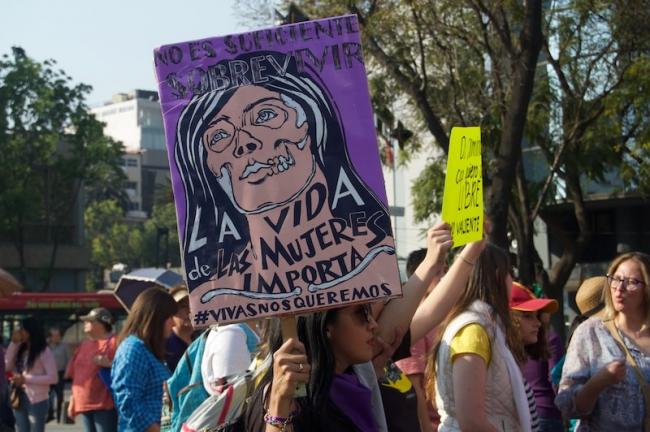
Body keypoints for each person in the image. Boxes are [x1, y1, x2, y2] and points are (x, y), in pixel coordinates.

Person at [175, 51, 400, 322]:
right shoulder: (217, 291)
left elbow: (391, 335)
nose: (244, 142)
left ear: (309, 123)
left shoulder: (375, 257)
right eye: (219, 136)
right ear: (207, 167)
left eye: (265, 115)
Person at [243, 225, 485, 431]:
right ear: (325, 326)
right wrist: (278, 408)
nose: (373, 324)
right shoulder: (288, 397)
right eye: (361, 313)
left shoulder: (360, 369)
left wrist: (447, 258)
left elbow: (428, 310)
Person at [430, 243, 532, 432]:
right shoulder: (473, 329)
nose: (513, 280)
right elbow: (472, 422)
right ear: (497, 276)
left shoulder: (485, 326)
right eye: (510, 273)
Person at [556, 252, 650, 430]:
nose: (619, 288)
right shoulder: (591, 332)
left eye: (631, 282)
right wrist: (598, 382)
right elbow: (566, 404)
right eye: (615, 279)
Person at [111, 287, 178, 432]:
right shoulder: (133, 349)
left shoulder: (146, 349)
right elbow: (128, 401)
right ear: (156, 317)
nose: (173, 324)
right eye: (170, 317)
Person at [394, 249, 442, 432]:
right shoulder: (411, 323)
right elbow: (415, 390)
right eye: (438, 271)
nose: (444, 277)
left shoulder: (439, 319)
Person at [509, 282, 561, 432]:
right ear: (510, 319)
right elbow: (555, 379)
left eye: (536, 315)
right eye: (527, 316)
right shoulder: (499, 361)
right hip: (547, 414)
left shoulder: (514, 360)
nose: (538, 323)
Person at [65, 307, 117, 432]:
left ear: (102, 324)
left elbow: (127, 371)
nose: (85, 323)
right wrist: (73, 399)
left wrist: (109, 364)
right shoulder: (84, 344)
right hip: (84, 403)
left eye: (90, 321)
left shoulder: (115, 343)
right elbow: (76, 376)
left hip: (105, 406)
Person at [4, 318, 58, 432]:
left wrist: (25, 379)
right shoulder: (19, 348)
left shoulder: (44, 351)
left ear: (31, 331)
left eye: (22, 329)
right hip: (18, 396)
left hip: (37, 400)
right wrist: (13, 344)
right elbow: (7, 366)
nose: (19, 332)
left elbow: (53, 377)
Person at [165, 286, 193, 372]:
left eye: (192, 305)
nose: (189, 310)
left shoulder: (202, 339)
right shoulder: (166, 346)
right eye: (183, 306)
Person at [47, 328, 69, 423]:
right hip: (48, 374)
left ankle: (60, 416)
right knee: (47, 396)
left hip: (60, 373)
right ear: (50, 337)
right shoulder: (46, 347)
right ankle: (50, 414)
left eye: (58, 336)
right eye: (54, 336)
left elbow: (68, 360)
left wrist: (67, 373)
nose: (56, 338)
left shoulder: (64, 346)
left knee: (60, 395)